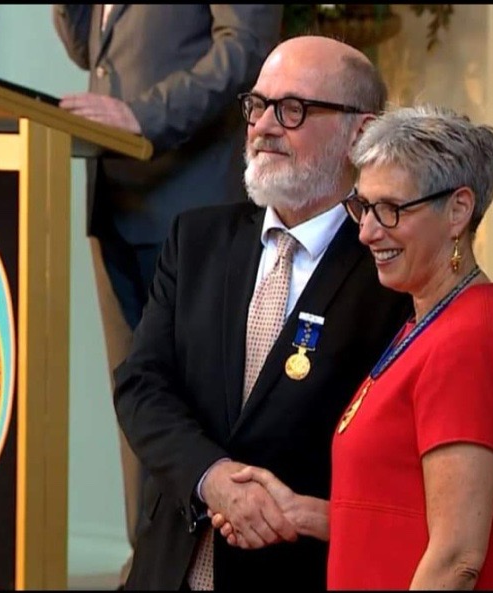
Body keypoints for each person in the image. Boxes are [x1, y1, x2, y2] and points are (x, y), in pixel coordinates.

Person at [111, 35, 414, 590]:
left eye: (293, 109)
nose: (264, 126)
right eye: (257, 105)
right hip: (170, 565)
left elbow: (396, 459)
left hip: (298, 570)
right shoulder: (197, 239)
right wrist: (213, 477)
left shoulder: (389, 276)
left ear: (362, 133)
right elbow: (141, 385)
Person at [213, 104, 493, 590]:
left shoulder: (469, 339)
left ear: (458, 209)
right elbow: (405, 514)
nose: (366, 231)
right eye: (362, 207)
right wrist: (299, 513)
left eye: (390, 210)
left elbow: (456, 558)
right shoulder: (425, 320)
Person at [51, 5, 283, 586]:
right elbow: (90, 49)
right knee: (136, 397)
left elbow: (246, 46)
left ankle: (197, 571)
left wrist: (143, 116)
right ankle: (150, 567)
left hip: (190, 197)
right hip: (116, 202)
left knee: (196, 401)